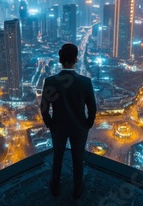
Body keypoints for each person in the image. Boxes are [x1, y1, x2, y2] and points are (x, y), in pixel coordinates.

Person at [40, 43, 97, 199]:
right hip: (79, 128)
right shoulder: (85, 82)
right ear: (76, 60)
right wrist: (87, 124)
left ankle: (55, 187)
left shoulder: (50, 81)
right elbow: (92, 107)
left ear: (60, 59)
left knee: (57, 157)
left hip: (58, 128)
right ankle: (77, 189)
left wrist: (51, 125)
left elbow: (44, 108)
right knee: (78, 160)